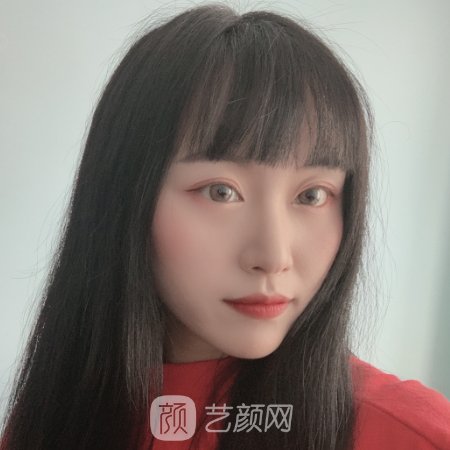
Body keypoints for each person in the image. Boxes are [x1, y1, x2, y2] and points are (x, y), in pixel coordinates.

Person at [1, 4, 449, 450]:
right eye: (220, 192)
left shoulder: (411, 436)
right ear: (124, 196)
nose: (273, 256)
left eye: (312, 195)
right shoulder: (49, 422)